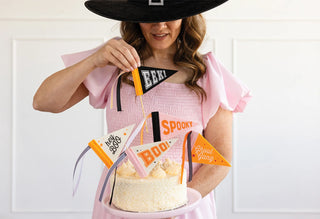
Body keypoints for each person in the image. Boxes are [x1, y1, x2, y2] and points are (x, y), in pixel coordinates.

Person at [33, 0, 251, 218]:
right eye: (150, 17)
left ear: (185, 16)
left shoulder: (208, 74)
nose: (159, 26)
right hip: (121, 206)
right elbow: (43, 101)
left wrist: (173, 204)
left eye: (170, 16)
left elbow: (221, 158)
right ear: (135, 17)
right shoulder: (115, 64)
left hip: (184, 207)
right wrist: (93, 60)